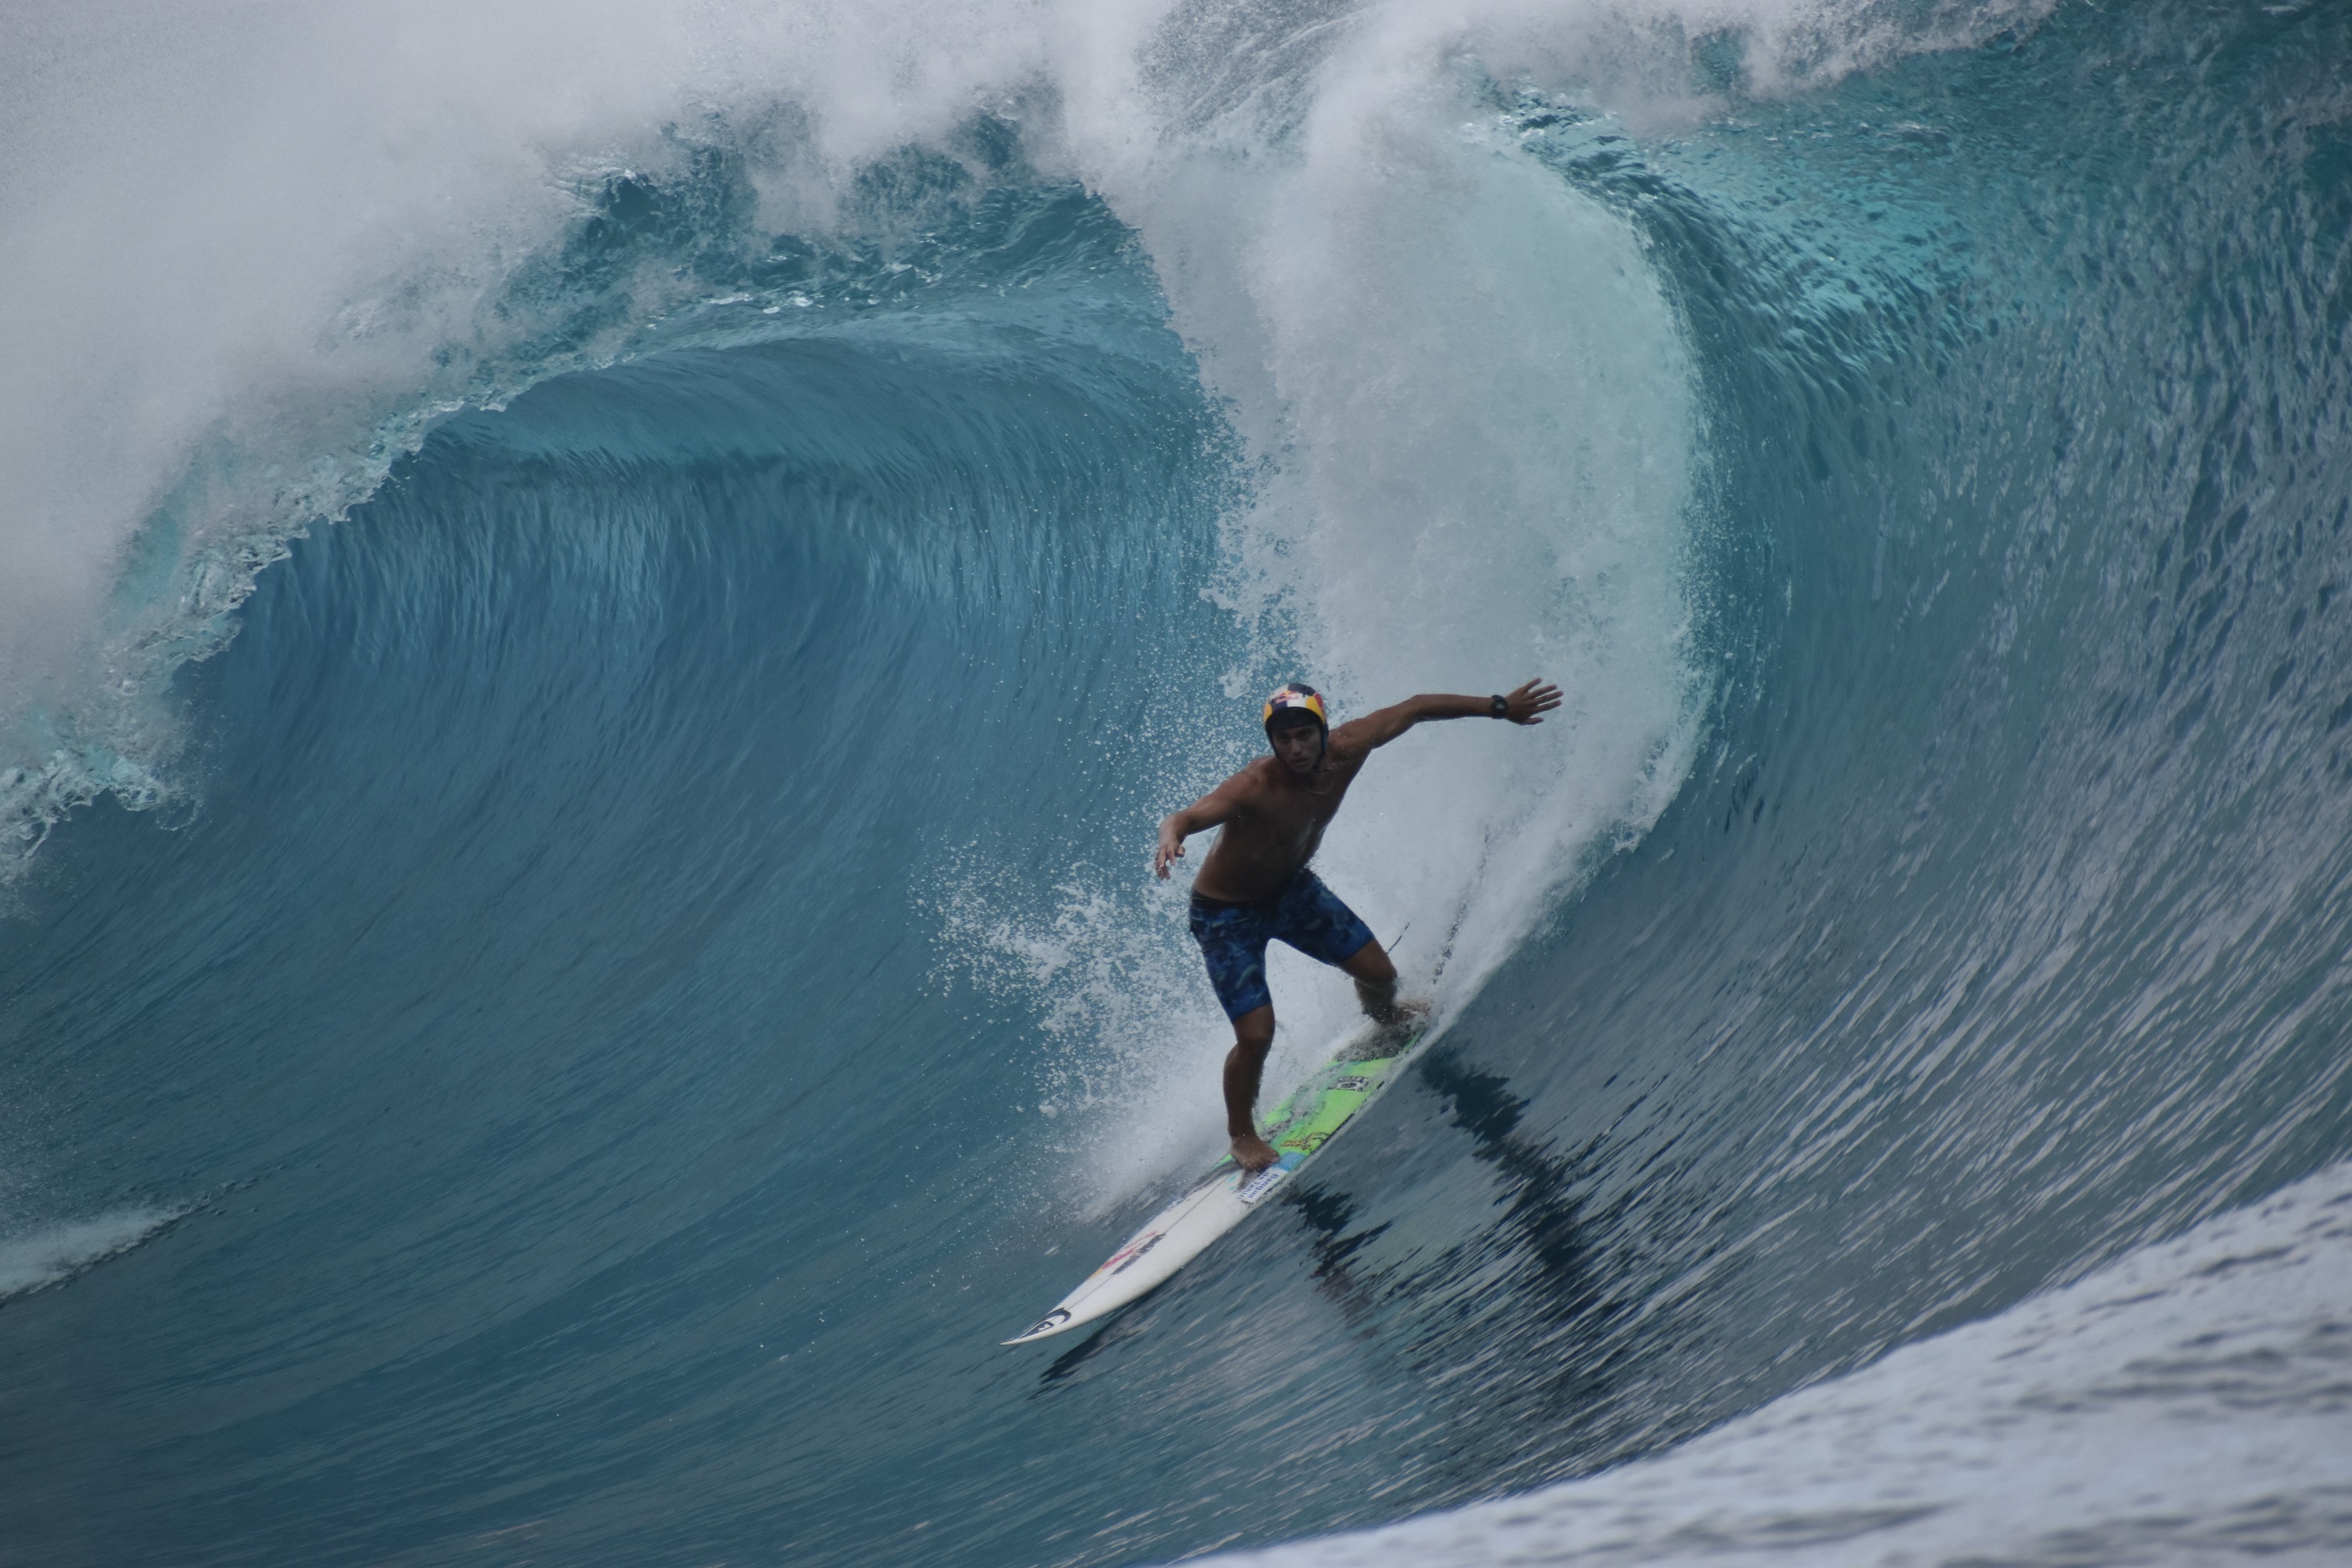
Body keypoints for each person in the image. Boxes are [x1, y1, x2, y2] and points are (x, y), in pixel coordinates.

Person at [1153, 677, 1563, 1171]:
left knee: (1380, 976)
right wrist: (1172, 836)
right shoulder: (1255, 786)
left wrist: (1499, 707)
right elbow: (1187, 816)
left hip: (1291, 891)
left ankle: (1383, 1018)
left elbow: (1417, 705)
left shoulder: (1350, 748)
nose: (1295, 748)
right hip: (1226, 916)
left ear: (1323, 730)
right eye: (1283, 739)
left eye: (1304, 735)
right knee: (1257, 1035)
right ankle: (1241, 1134)